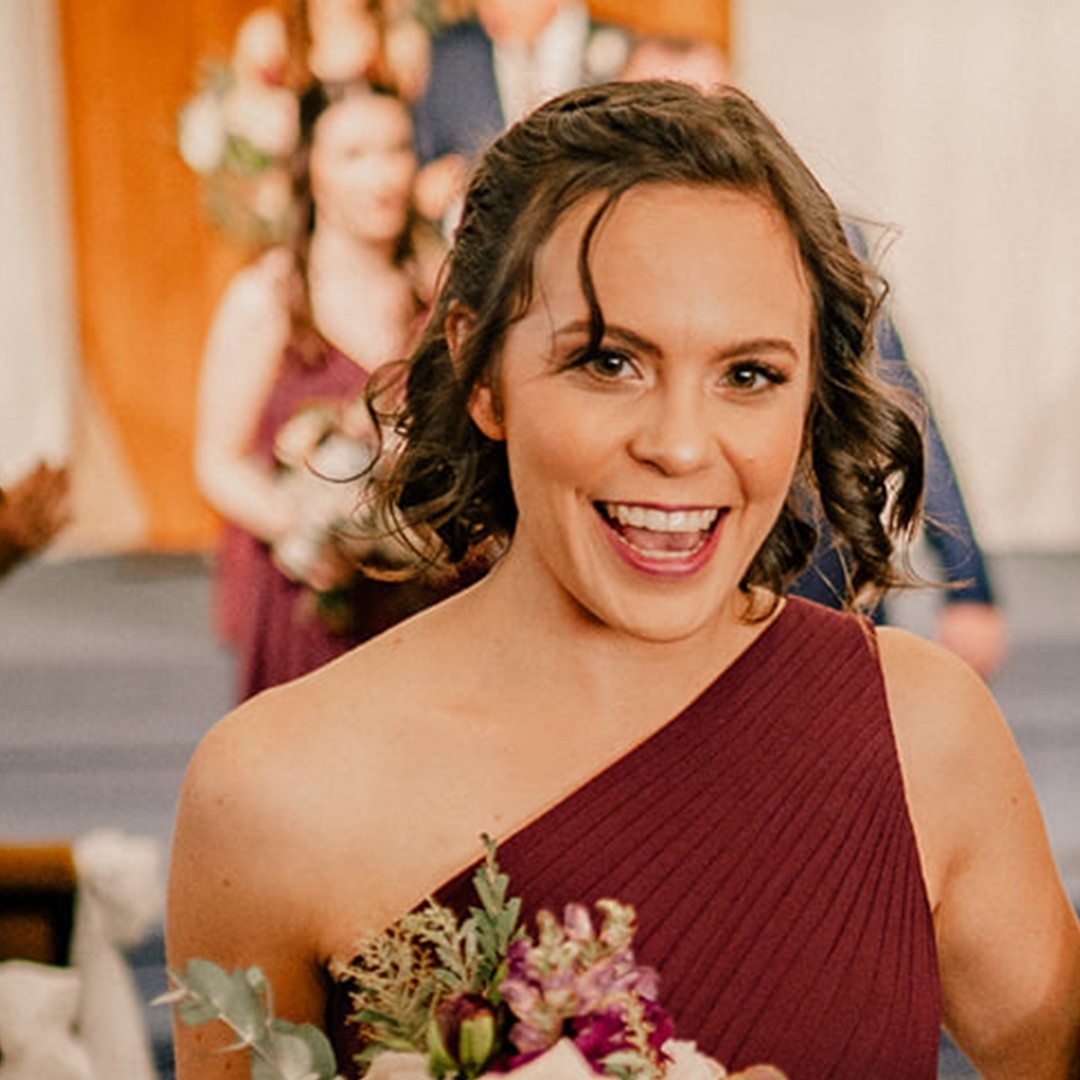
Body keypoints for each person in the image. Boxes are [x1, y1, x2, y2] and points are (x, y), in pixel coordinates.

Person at [168, 81, 1080, 1078]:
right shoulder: (273, 791)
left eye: (749, 375)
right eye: (609, 363)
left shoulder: (923, 731)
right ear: (480, 371)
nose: (682, 446)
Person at [194, 81, 449, 702]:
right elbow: (218, 462)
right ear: (311, 169)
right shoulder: (268, 299)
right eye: (354, 155)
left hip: (426, 597)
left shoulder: (441, 290)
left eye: (396, 149)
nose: (382, 175)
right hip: (314, 595)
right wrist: (316, 531)